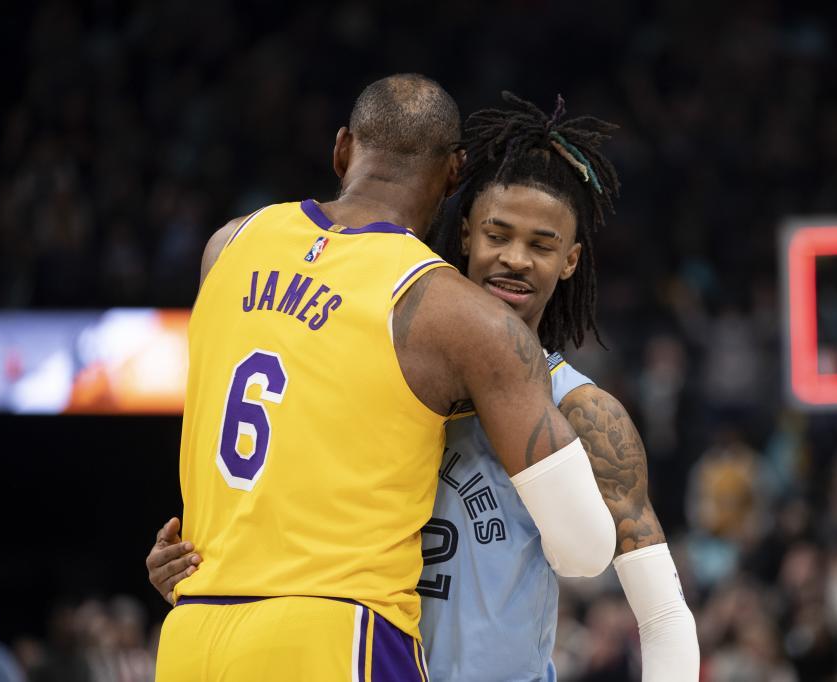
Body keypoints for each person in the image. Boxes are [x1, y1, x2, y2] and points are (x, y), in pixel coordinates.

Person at [150, 91, 697, 680]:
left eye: (542, 245)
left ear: (570, 260)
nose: (515, 259)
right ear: (463, 233)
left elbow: (662, 616)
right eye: (498, 234)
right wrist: (199, 557)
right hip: (352, 649)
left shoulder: (584, 409)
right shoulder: (379, 359)